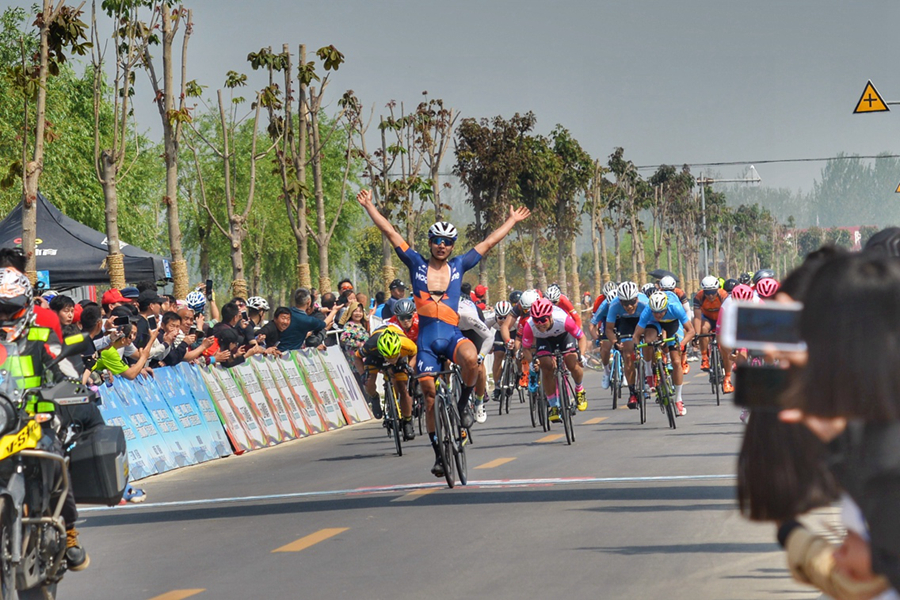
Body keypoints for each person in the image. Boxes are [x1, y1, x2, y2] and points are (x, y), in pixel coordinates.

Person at [357, 187, 529, 477]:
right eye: (436, 241)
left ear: (452, 246)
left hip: (451, 336)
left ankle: (464, 405)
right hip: (425, 342)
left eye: (447, 242)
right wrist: (369, 206)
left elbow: (488, 243)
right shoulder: (416, 264)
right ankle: (439, 456)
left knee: (472, 360)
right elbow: (390, 232)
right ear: (430, 243)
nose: (441, 246)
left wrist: (511, 221)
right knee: (428, 393)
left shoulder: (460, 265)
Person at [521, 297, 588, 421]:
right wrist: (531, 363)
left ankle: (579, 390)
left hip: (564, 337)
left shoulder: (563, 320)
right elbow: (526, 348)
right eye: (536, 320)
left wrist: (582, 356)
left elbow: (582, 338)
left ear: (550, 316)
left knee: (571, 362)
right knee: (546, 366)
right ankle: (554, 406)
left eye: (543, 320)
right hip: (545, 341)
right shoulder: (529, 325)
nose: (540, 323)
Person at [633, 291, 695, 416]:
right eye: (655, 312)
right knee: (648, 340)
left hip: (673, 323)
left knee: (677, 362)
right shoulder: (648, 311)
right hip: (653, 325)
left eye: (661, 312)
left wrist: (681, 344)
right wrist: (637, 350)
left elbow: (691, 331)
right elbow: (636, 335)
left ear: (666, 307)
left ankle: (678, 399)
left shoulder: (675, 307)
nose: (658, 315)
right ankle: (649, 372)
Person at [354, 326, 417, 440]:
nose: (391, 360)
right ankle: (374, 397)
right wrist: (363, 374)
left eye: (393, 357)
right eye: (388, 358)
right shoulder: (370, 346)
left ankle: (407, 421)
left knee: (403, 388)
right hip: (376, 356)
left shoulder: (406, 345)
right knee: (368, 382)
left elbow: (415, 354)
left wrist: (409, 367)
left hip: (400, 355)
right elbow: (357, 357)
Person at [605, 281, 650, 409]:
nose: (629, 306)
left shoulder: (645, 303)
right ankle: (632, 393)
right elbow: (609, 329)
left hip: (644, 321)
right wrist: (615, 342)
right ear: (620, 302)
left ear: (637, 298)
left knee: (649, 343)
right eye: (625, 303)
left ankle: (650, 372)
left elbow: (655, 322)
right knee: (628, 355)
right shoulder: (614, 305)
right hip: (627, 323)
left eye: (632, 302)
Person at [692, 275, 727, 376]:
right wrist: (697, 335)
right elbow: (697, 318)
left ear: (717, 290)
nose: (710, 296)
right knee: (703, 329)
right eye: (707, 293)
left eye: (713, 292)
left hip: (721, 318)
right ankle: (704, 357)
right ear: (704, 292)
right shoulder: (699, 297)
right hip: (708, 319)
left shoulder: (723, 295)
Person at [339, 300, 370, 377]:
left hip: (364, 358)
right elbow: (343, 338)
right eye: (355, 311)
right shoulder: (349, 325)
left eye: (360, 311)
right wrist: (357, 344)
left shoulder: (362, 325)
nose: (358, 314)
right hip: (354, 360)